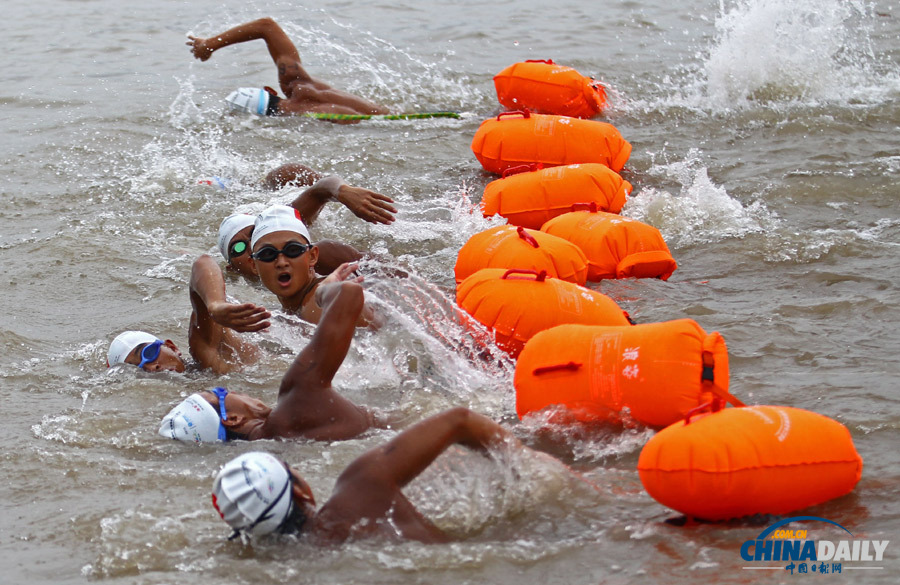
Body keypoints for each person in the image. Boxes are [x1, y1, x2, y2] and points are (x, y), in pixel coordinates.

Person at [210, 407, 520, 542]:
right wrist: (527, 466)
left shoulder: (280, 560)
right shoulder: (358, 491)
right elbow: (459, 420)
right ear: (300, 490)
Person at [160, 278, 381, 443]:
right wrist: (321, 290)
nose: (233, 390)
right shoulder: (298, 396)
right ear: (233, 419)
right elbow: (348, 293)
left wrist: (214, 305)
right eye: (221, 393)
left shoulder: (279, 446)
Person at [187, 17, 390, 117]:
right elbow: (266, 26)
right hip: (392, 117)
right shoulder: (296, 83)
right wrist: (209, 44)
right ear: (270, 91)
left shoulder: (302, 121)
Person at [219, 165, 396, 279]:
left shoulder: (310, 252)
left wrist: (343, 191)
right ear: (233, 270)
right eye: (238, 248)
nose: (251, 245)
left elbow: (320, 189)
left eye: (255, 233)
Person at [108, 255, 271, 375]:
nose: (151, 367)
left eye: (148, 353)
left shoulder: (205, 356)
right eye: (137, 370)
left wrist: (215, 305)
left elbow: (202, 264)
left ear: (172, 347)